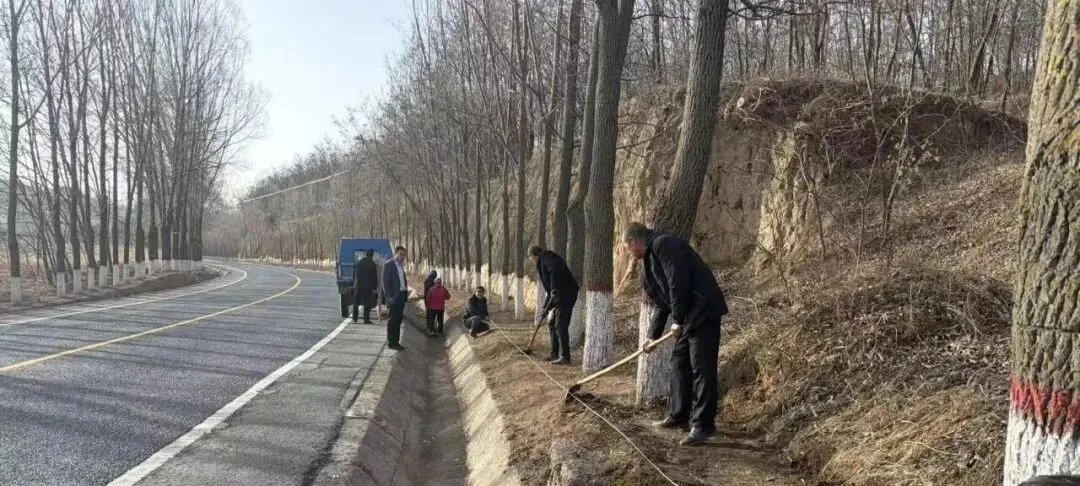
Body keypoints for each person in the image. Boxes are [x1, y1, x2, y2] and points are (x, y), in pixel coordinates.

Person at [624, 222, 729, 446]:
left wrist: (678, 319)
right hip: (689, 317)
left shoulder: (664, 245)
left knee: (702, 367)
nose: (628, 253)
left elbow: (677, 282)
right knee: (679, 364)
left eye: (627, 248)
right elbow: (662, 303)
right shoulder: (648, 265)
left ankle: (703, 425)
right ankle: (679, 415)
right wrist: (652, 336)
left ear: (633, 242)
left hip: (704, 309)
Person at [529, 245, 580, 365]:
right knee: (552, 323)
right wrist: (545, 308)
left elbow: (555, 269)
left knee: (560, 324)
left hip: (567, 294)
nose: (532, 261)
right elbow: (550, 291)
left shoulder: (546, 257)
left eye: (531, 258)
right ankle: (554, 353)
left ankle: (565, 356)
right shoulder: (543, 261)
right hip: (561, 294)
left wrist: (554, 289)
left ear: (534, 256)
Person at [381, 246, 411, 351]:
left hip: (401, 295)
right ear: (396, 254)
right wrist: (389, 297)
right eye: (401, 254)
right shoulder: (389, 265)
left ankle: (396, 342)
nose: (403, 257)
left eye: (404, 255)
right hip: (394, 297)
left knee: (398, 320)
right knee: (393, 320)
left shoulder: (400, 266)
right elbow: (385, 282)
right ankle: (391, 343)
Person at [352, 249, 379, 324]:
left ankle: (354, 318)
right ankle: (366, 319)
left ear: (366, 254)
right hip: (368, 287)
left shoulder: (359, 262)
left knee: (356, 303)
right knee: (367, 304)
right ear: (372, 255)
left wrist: (354, 284)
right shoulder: (372, 264)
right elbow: (374, 277)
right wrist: (375, 287)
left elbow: (355, 274)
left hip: (358, 286)